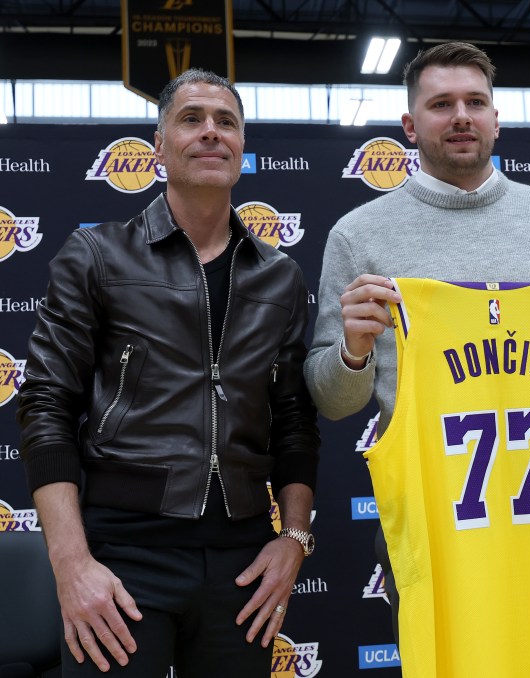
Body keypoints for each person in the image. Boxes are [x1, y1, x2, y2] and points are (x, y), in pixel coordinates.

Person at [304, 41, 530, 644]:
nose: (461, 116)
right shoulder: (358, 234)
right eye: (441, 104)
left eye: (475, 102)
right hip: (439, 522)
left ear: (497, 117)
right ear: (411, 126)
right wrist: (352, 352)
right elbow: (334, 402)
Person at [16, 68, 320, 677]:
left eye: (226, 122)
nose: (211, 133)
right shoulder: (97, 255)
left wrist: (294, 541)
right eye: (191, 119)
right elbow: (46, 406)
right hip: (122, 556)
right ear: (158, 148)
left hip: (240, 561)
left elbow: (295, 424)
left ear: (241, 147)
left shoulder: (279, 276)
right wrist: (71, 564)